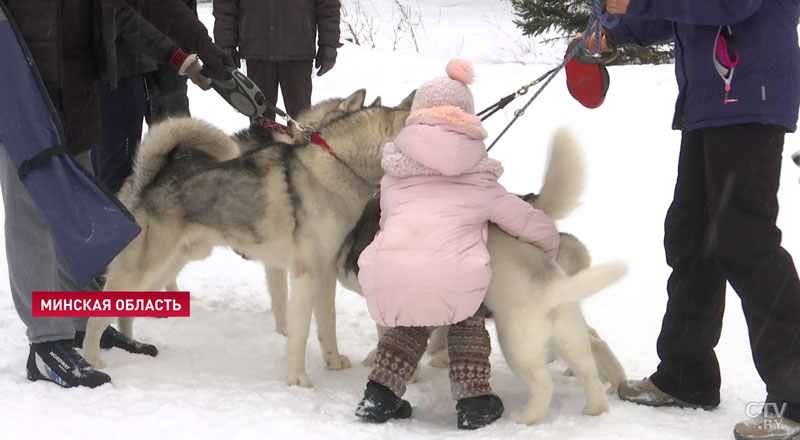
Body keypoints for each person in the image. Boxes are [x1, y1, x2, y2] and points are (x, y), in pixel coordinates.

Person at [587, 1, 800, 438]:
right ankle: (687, 373)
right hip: (709, 102)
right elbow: (677, 13)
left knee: (745, 241)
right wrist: (616, 30)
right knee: (691, 236)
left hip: (750, 95)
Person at [0, 0, 234, 389]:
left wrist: (188, 55)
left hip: (77, 95)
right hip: (23, 95)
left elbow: (126, 10)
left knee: (79, 210)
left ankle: (82, 321)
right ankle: (45, 343)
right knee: (32, 215)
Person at [353, 60, 561, 430]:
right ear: (467, 121)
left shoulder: (395, 176)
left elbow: (387, 222)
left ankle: (379, 395)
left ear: (416, 117)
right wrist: (548, 251)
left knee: (410, 320)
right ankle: (474, 398)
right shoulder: (479, 180)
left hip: (388, 273)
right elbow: (528, 223)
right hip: (456, 278)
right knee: (466, 314)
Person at [93, 4, 208, 194]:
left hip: (149, 63)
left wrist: (195, 47)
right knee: (114, 176)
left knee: (171, 143)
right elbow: (122, 15)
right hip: (117, 72)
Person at [212, 0, 342, 121]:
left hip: (298, 51)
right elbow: (225, 6)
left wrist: (329, 44)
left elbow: (328, 4)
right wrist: (226, 45)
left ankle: (300, 145)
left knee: (301, 122)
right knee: (260, 123)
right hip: (257, 52)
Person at [144, 0, 198, 124]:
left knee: (178, 110)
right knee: (155, 115)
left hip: (174, 50)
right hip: (145, 51)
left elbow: (187, 13)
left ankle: (186, 142)